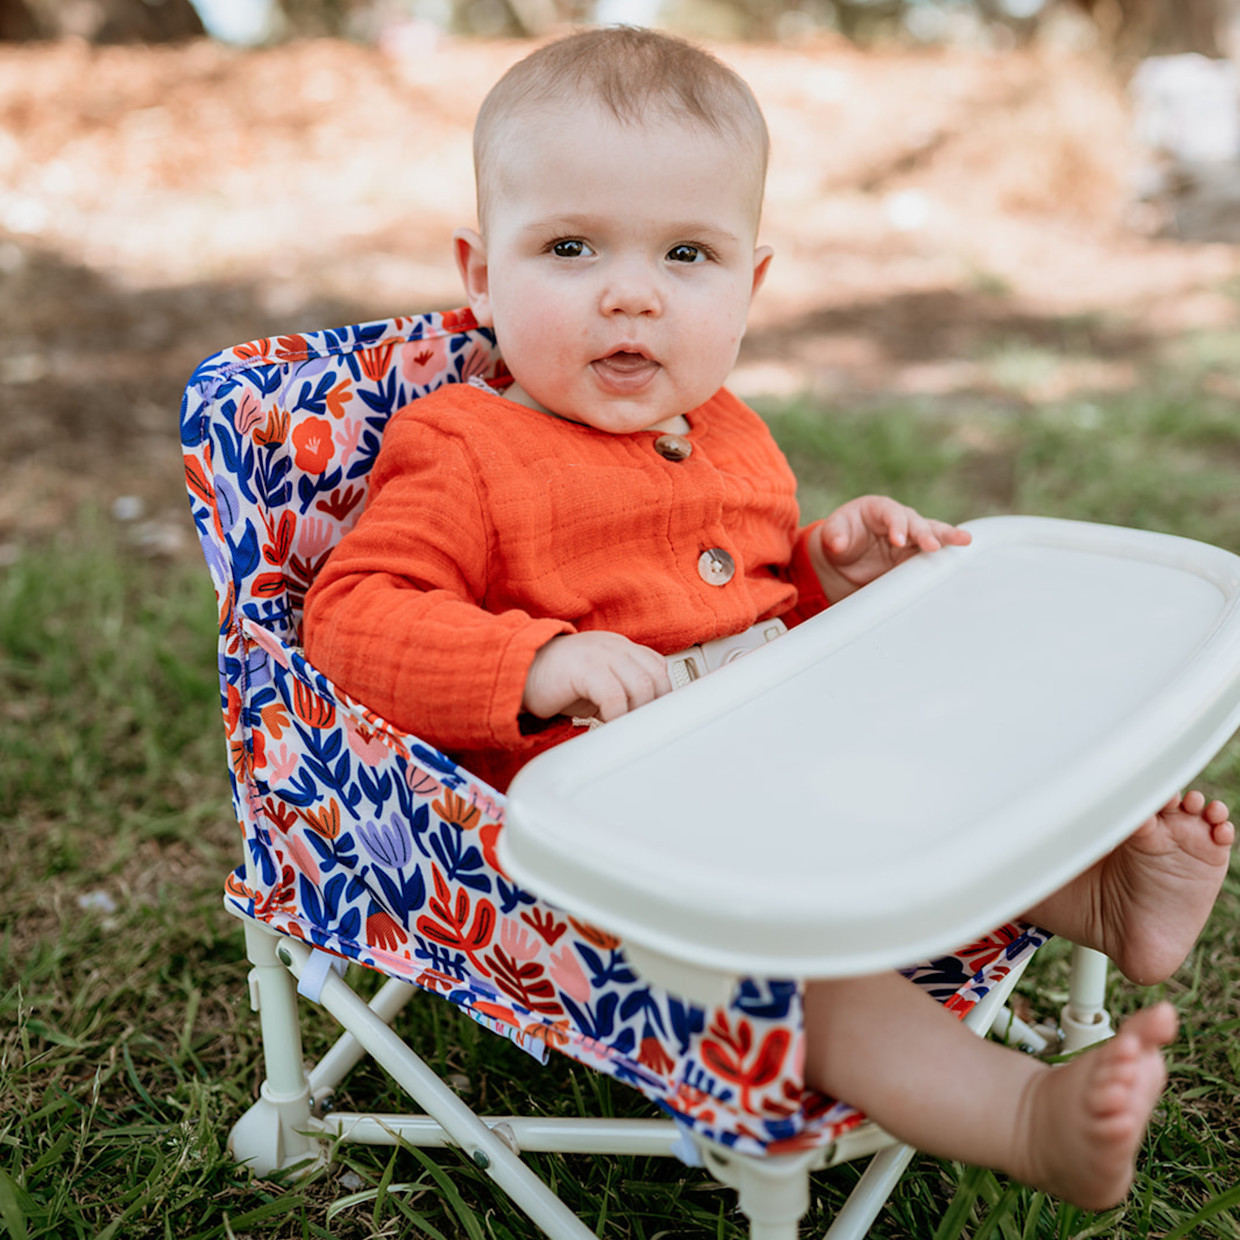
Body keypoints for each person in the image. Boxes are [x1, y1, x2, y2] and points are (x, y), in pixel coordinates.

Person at [303, 25, 1234, 1211]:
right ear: (482, 275)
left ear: (749, 288)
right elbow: (353, 616)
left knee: (933, 760)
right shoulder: (464, 447)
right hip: (620, 834)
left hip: (769, 748)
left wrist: (825, 579)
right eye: (571, 246)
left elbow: (746, 603)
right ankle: (1014, 1109)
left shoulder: (729, 425)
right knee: (794, 963)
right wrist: (536, 658)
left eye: (686, 254)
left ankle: (1092, 892)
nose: (630, 291)